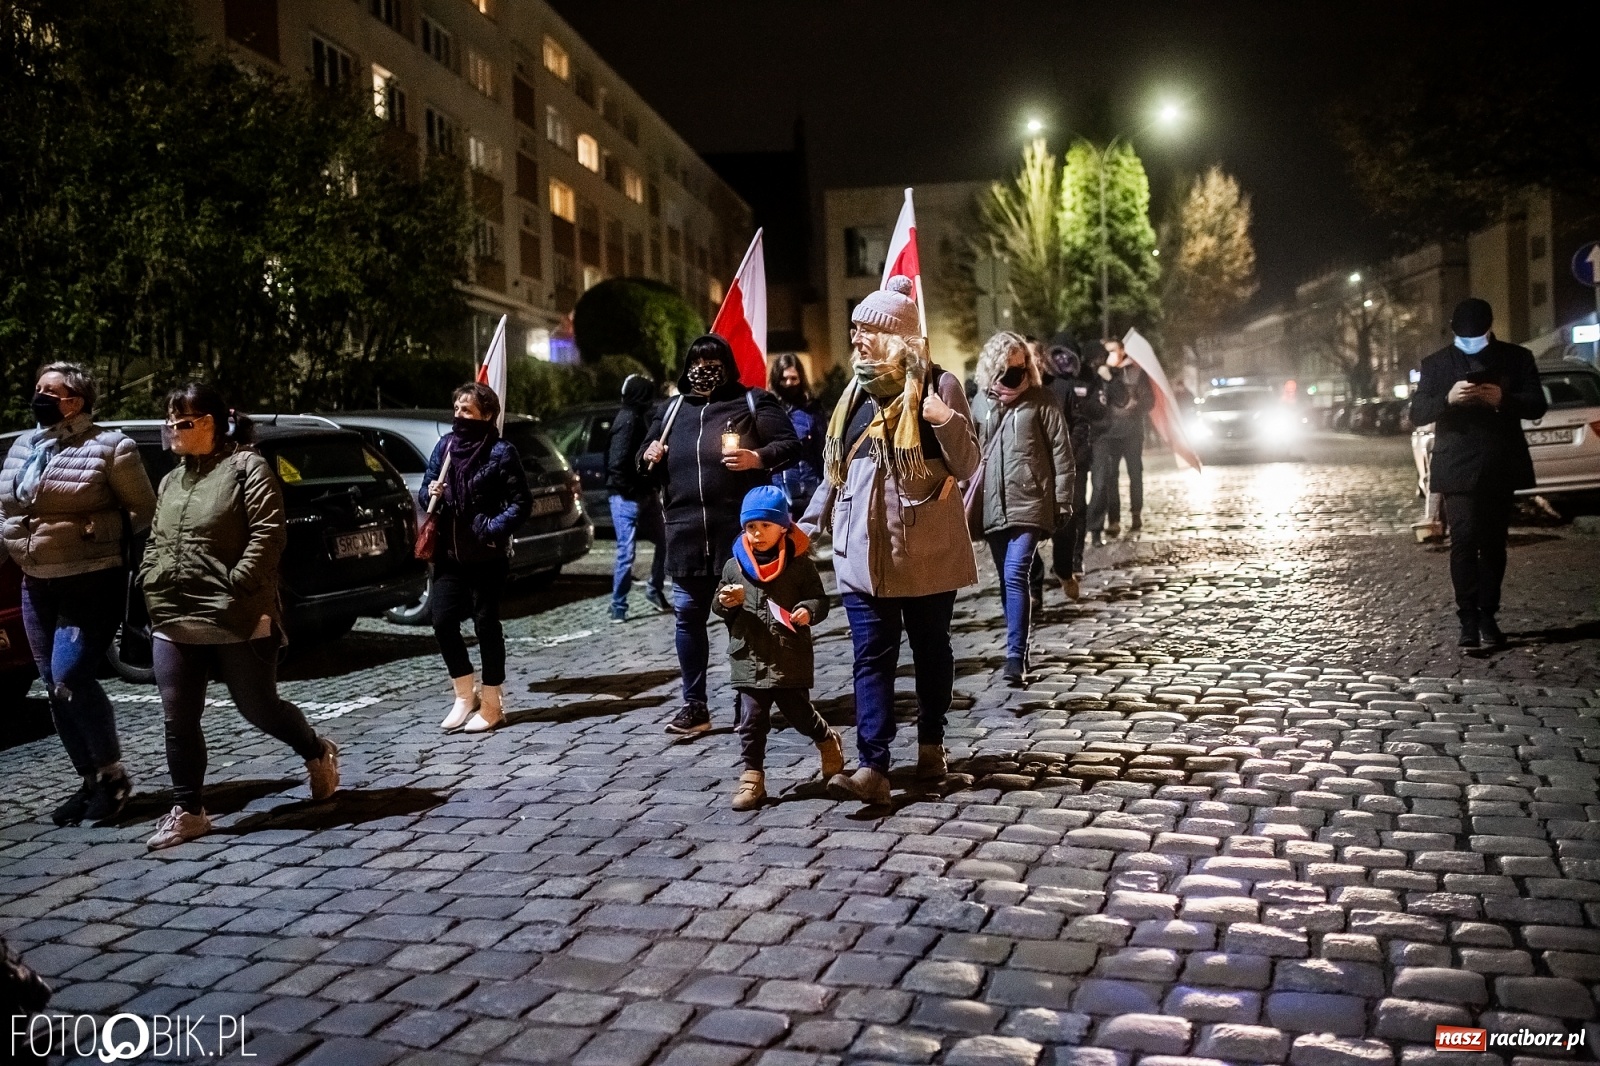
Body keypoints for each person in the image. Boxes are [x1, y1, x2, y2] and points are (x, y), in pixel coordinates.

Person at [800, 276, 981, 806]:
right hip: (862, 553)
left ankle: (931, 745)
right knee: (870, 659)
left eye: (867, 329)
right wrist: (806, 528)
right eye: (855, 328)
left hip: (925, 552)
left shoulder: (939, 385)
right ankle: (872, 767)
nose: (856, 338)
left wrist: (944, 420)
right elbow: (835, 475)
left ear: (897, 336)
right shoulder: (852, 394)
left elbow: (968, 463)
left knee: (931, 652)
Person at [140, 383, 341, 849]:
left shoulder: (248, 468)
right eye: (169, 423)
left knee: (258, 707)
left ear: (210, 424)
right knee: (178, 717)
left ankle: (315, 750)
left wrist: (237, 583)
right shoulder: (171, 480)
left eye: (183, 423)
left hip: (237, 611)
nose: (172, 431)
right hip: (173, 612)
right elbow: (155, 538)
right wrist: (150, 577)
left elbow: (268, 535)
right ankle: (189, 811)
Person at [0, 363, 156, 826]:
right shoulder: (24, 446)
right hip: (35, 579)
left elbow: (142, 508)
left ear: (76, 401)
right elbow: (5, 510)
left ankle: (113, 777)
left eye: (51, 391)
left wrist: (92, 530)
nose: (39, 397)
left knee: (71, 676)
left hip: (89, 578)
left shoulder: (111, 446)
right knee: (53, 685)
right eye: (37, 388)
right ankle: (89, 781)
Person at [639, 334, 800, 736]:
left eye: (712, 361)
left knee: (742, 619)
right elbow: (643, 460)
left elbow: (790, 444)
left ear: (727, 364)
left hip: (738, 537)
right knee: (687, 618)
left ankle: (748, 700)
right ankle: (695, 705)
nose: (703, 368)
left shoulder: (752, 401)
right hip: (685, 534)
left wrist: (756, 457)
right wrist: (648, 457)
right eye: (697, 361)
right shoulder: (672, 410)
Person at [1409, 298, 1546, 648]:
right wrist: (1448, 400)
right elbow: (1417, 413)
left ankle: (1488, 614)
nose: (1472, 344)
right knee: (1465, 538)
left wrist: (1503, 398)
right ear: (1453, 332)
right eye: (1465, 338)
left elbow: (1537, 405)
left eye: (1478, 337)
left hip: (1499, 461)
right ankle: (1467, 618)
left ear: (1490, 328)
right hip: (1456, 463)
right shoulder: (1436, 363)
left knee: (1494, 542)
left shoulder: (1517, 357)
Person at [711, 485, 843, 810]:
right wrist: (725, 601)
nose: (757, 534)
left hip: (788, 656)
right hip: (748, 656)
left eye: (765, 526)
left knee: (799, 715)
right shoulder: (734, 566)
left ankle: (826, 739)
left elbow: (819, 599)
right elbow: (718, 604)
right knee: (751, 721)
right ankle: (752, 777)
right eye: (750, 526)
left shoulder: (799, 565)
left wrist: (808, 610)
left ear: (783, 527)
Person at [422, 383, 531, 733]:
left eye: (466, 410)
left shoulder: (501, 452)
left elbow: (521, 503)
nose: (459, 415)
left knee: (486, 625)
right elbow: (426, 490)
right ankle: (463, 694)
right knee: (442, 621)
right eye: (456, 408)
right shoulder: (446, 447)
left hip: (486, 556)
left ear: (487, 415)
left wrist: (490, 528)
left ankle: (492, 703)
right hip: (449, 554)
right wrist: (431, 492)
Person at [975, 332, 1074, 683]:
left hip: (1032, 499)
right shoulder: (981, 402)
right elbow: (969, 451)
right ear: (993, 366)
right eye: (1007, 366)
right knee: (1007, 579)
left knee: (1016, 572)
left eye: (1021, 365)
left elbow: (1061, 451)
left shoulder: (1041, 398)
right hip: (993, 502)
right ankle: (1018, 644)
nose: (1015, 373)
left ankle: (1015, 655)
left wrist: (1062, 499)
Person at [1030, 339, 1106, 601]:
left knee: (1067, 522)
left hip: (1064, 466)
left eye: (1034, 355)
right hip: (1027, 472)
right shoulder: (1012, 392)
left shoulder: (1062, 388)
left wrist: (1067, 453)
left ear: (1042, 359)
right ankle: (1034, 586)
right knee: (1025, 527)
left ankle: (1064, 567)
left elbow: (1080, 422)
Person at [605, 373, 667, 622]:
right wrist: (631, 490)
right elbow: (617, 463)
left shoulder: (637, 417)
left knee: (664, 541)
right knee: (626, 553)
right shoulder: (628, 420)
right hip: (627, 497)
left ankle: (653, 590)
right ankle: (618, 605)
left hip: (641, 494)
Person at [1086, 337, 1155, 543]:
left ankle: (1136, 515)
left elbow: (1148, 400)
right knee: (1109, 478)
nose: (1108, 356)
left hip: (1132, 432)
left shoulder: (1136, 373)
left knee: (1135, 473)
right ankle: (1113, 520)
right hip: (1109, 433)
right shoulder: (1100, 374)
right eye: (1106, 352)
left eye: (1112, 351)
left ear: (1122, 352)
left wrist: (1136, 406)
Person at [769, 354, 826, 519]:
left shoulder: (812, 409)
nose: (789, 383)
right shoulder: (768, 408)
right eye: (784, 379)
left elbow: (821, 449)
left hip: (809, 487)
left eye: (793, 378)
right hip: (778, 489)